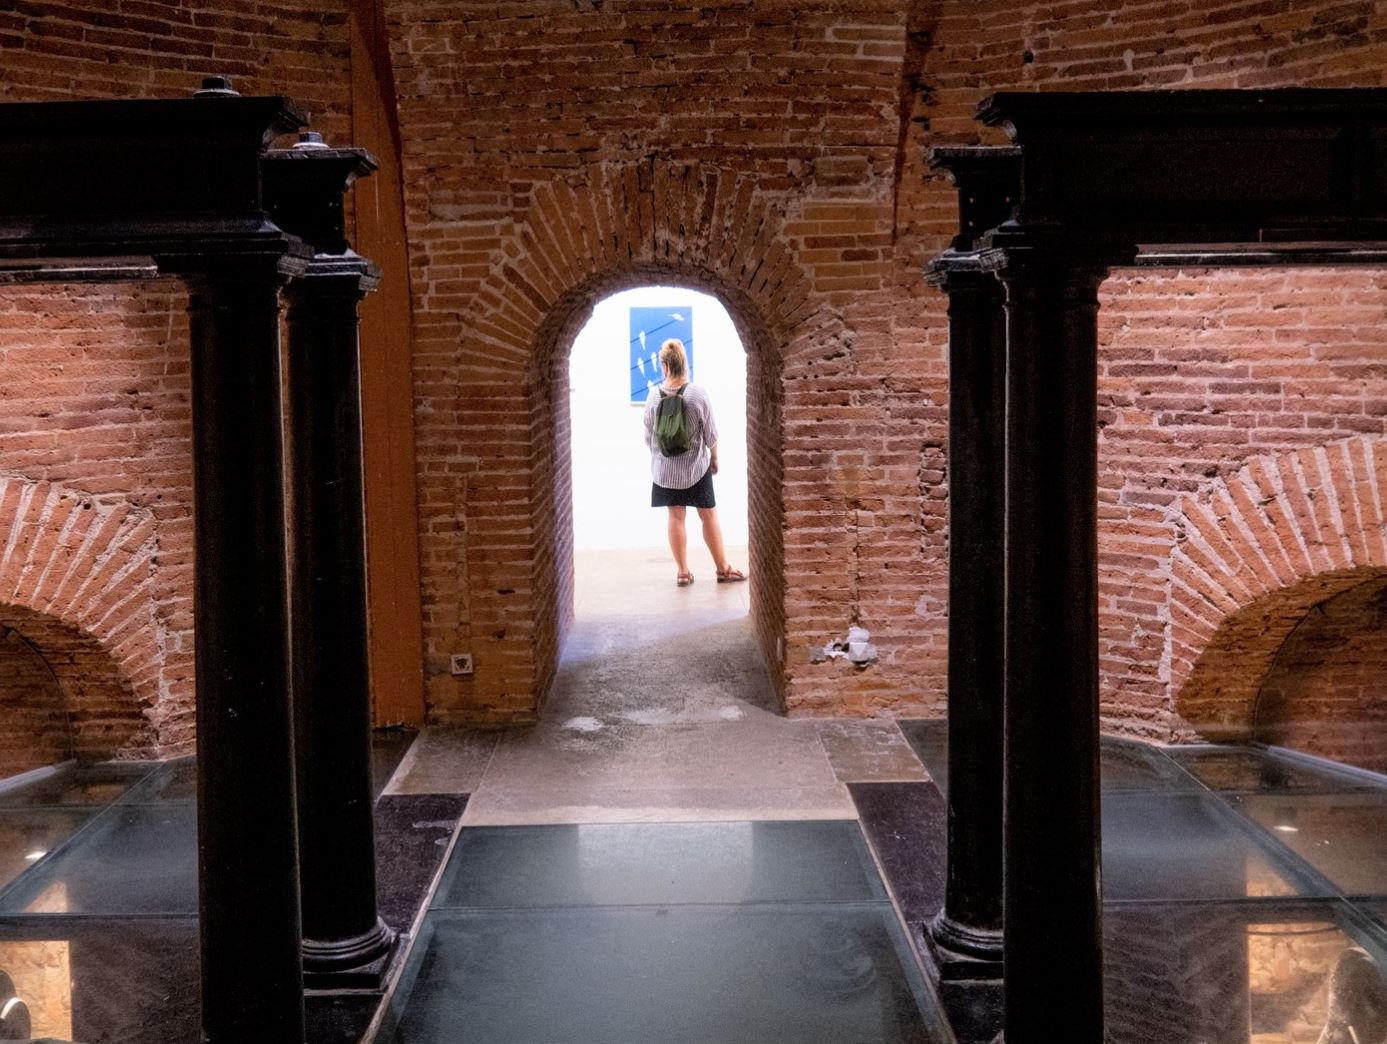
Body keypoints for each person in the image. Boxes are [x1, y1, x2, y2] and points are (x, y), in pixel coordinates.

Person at [644, 337, 747, 587]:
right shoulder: (697, 393)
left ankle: (682, 572)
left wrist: (662, 458)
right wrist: (714, 458)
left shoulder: (653, 396)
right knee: (708, 515)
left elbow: (649, 437)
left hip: (665, 472)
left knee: (675, 517)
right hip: (695, 469)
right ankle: (723, 569)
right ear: (684, 362)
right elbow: (711, 433)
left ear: (664, 365)